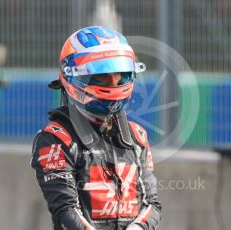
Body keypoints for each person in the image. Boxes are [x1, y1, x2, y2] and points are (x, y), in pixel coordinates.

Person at [31, 26, 161, 230]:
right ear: (72, 76)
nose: (114, 83)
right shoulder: (56, 138)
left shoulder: (137, 136)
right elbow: (65, 211)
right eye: (102, 76)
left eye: (120, 75)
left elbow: (152, 204)